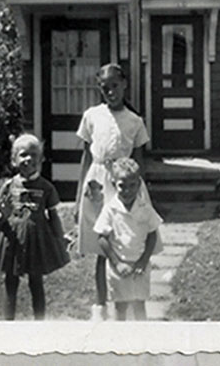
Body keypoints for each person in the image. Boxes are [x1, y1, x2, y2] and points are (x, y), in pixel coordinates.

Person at [73, 63, 158, 321]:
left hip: (125, 183)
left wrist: (138, 193)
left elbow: (140, 162)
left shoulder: (134, 121)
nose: (110, 92)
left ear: (124, 85)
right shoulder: (92, 115)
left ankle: (131, 302)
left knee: (127, 242)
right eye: (104, 87)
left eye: (115, 86)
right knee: (102, 244)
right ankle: (101, 305)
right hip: (97, 182)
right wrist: (79, 197)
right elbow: (86, 158)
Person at [0, 134, 70, 320]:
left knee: (36, 281)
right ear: (13, 160)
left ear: (41, 159)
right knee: (10, 282)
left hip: (36, 240)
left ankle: (39, 324)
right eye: (23, 154)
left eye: (34, 154)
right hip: (11, 239)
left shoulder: (46, 187)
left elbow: (53, 217)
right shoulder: (9, 186)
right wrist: (3, 213)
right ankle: (8, 323)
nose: (29, 159)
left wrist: (61, 238)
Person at [95, 158, 162, 321]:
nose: (127, 191)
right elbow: (102, 238)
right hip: (119, 266)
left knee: (139, 304)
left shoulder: (145, 208)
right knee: (121, 306)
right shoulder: (110, 209)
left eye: (132, 185)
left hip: (140, 265)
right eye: (122, 186)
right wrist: (116, 262)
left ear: (139, 184)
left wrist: (144, 260)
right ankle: (120, 342)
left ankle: (140, 342)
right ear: (113, 184)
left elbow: (153, 233)